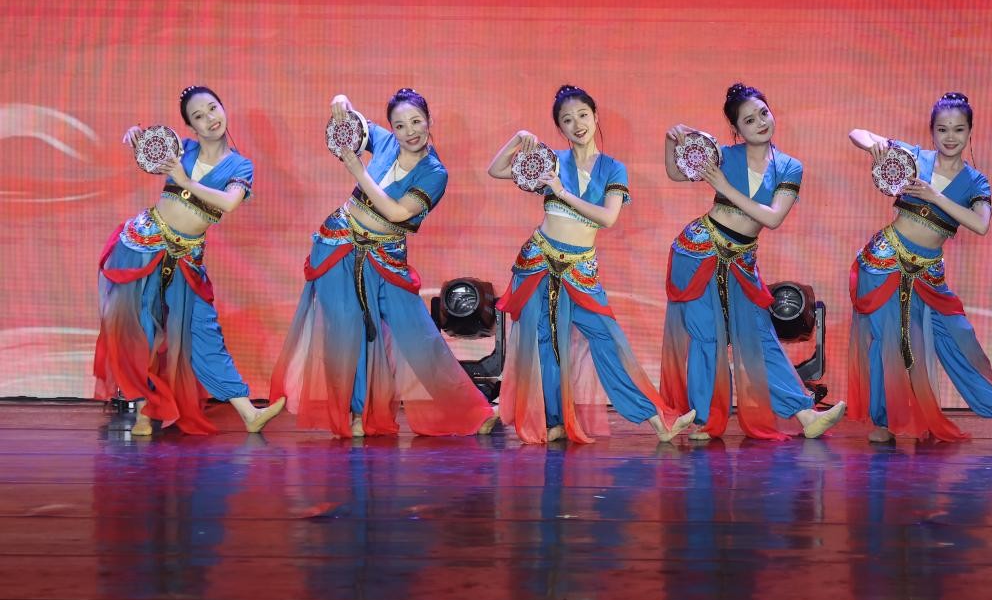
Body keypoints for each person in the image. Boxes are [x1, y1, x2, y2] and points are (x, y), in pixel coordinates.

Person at [270, 89, 496, 438]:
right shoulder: (386, 141)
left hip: (386, 256)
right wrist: (340, 102)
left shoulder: (435, 173)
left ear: (429, 120)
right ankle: (356, 414)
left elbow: (397, 212)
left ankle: (471, 412)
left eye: (417, 122)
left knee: (419, 337)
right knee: (345, 331)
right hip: (339, 243)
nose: (410, 131)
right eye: (400, 125)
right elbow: (350, 115)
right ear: (392, 127)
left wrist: (358, 172)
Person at [489, 85, 695, 444]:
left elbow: (607, 217)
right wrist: (518, 139)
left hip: (580, 270)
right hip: (539, 262)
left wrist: (561, 191)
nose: (577, 124)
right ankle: (553, 421)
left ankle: (657, 420)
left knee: (607, 339)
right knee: (545, 342)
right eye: (567, 120)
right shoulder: (551, 162)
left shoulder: (613, 168)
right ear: (560, 128)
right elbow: (496, 170)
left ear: (596, 117)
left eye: (583, 115)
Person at [847, 91, 992, 443]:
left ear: (970, 132)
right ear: (932, 131)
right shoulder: (915, 158)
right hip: (885, 262)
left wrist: (935, 197)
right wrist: (875, 145)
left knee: (958, 338)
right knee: (887, 343)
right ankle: (884, 423)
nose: (950, 137)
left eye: (958, 129)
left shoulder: (975, 181)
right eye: (942, 129)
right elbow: (857, 133)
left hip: (928, 273)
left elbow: (980, 224)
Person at [95, 85, 285, 435]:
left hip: (186, 257)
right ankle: (144, 412)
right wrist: (138, 137)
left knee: (204, 331)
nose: (209, 119)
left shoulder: (240, 165)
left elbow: (229, 203)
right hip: (145, 245)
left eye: (213, 108)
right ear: (191, 126)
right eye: (198, 116)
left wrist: (186, 182)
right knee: (141, 328)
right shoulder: (182, 149)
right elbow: (150, 153)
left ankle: (248, 413)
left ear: (223, 108)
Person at [661, 83, 845, 441]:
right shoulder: (725, 157)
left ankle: (806, 414)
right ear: (736, 129)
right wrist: (672, 142)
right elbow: (676, 172)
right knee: (706, 337)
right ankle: (704, 421)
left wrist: (725, 188)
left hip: (742, 260)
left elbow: (773, 217)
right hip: (698, 251)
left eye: (763, 113)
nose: (760, 122)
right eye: (749, 120)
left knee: (760, 336)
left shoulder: (789, 166)